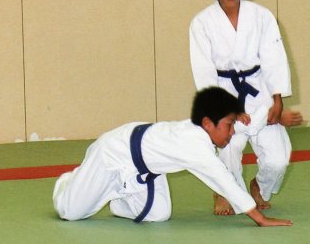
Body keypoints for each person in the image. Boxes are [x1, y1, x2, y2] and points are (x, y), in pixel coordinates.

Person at [53, 87, 292, 227]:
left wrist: (267, 113)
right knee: (70, 212)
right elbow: (225, 182)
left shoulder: (205, 130)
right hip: (114, 154)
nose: (232, 133)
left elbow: (243, 126)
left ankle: (118, 197)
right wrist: (260, 218)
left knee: (158, 215)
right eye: (229, 126)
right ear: (208, 124)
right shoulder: (196, 147)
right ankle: (70, 181)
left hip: (144, 171)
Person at [189, 0, 302, 216]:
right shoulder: (202, 23)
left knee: (278, 159)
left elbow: (274, 58)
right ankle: (223, 192)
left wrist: (277, 98)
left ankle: (259, 187)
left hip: (259, 92)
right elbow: (203, 70)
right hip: (223, 93)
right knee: (228, 151)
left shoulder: (262, 17)